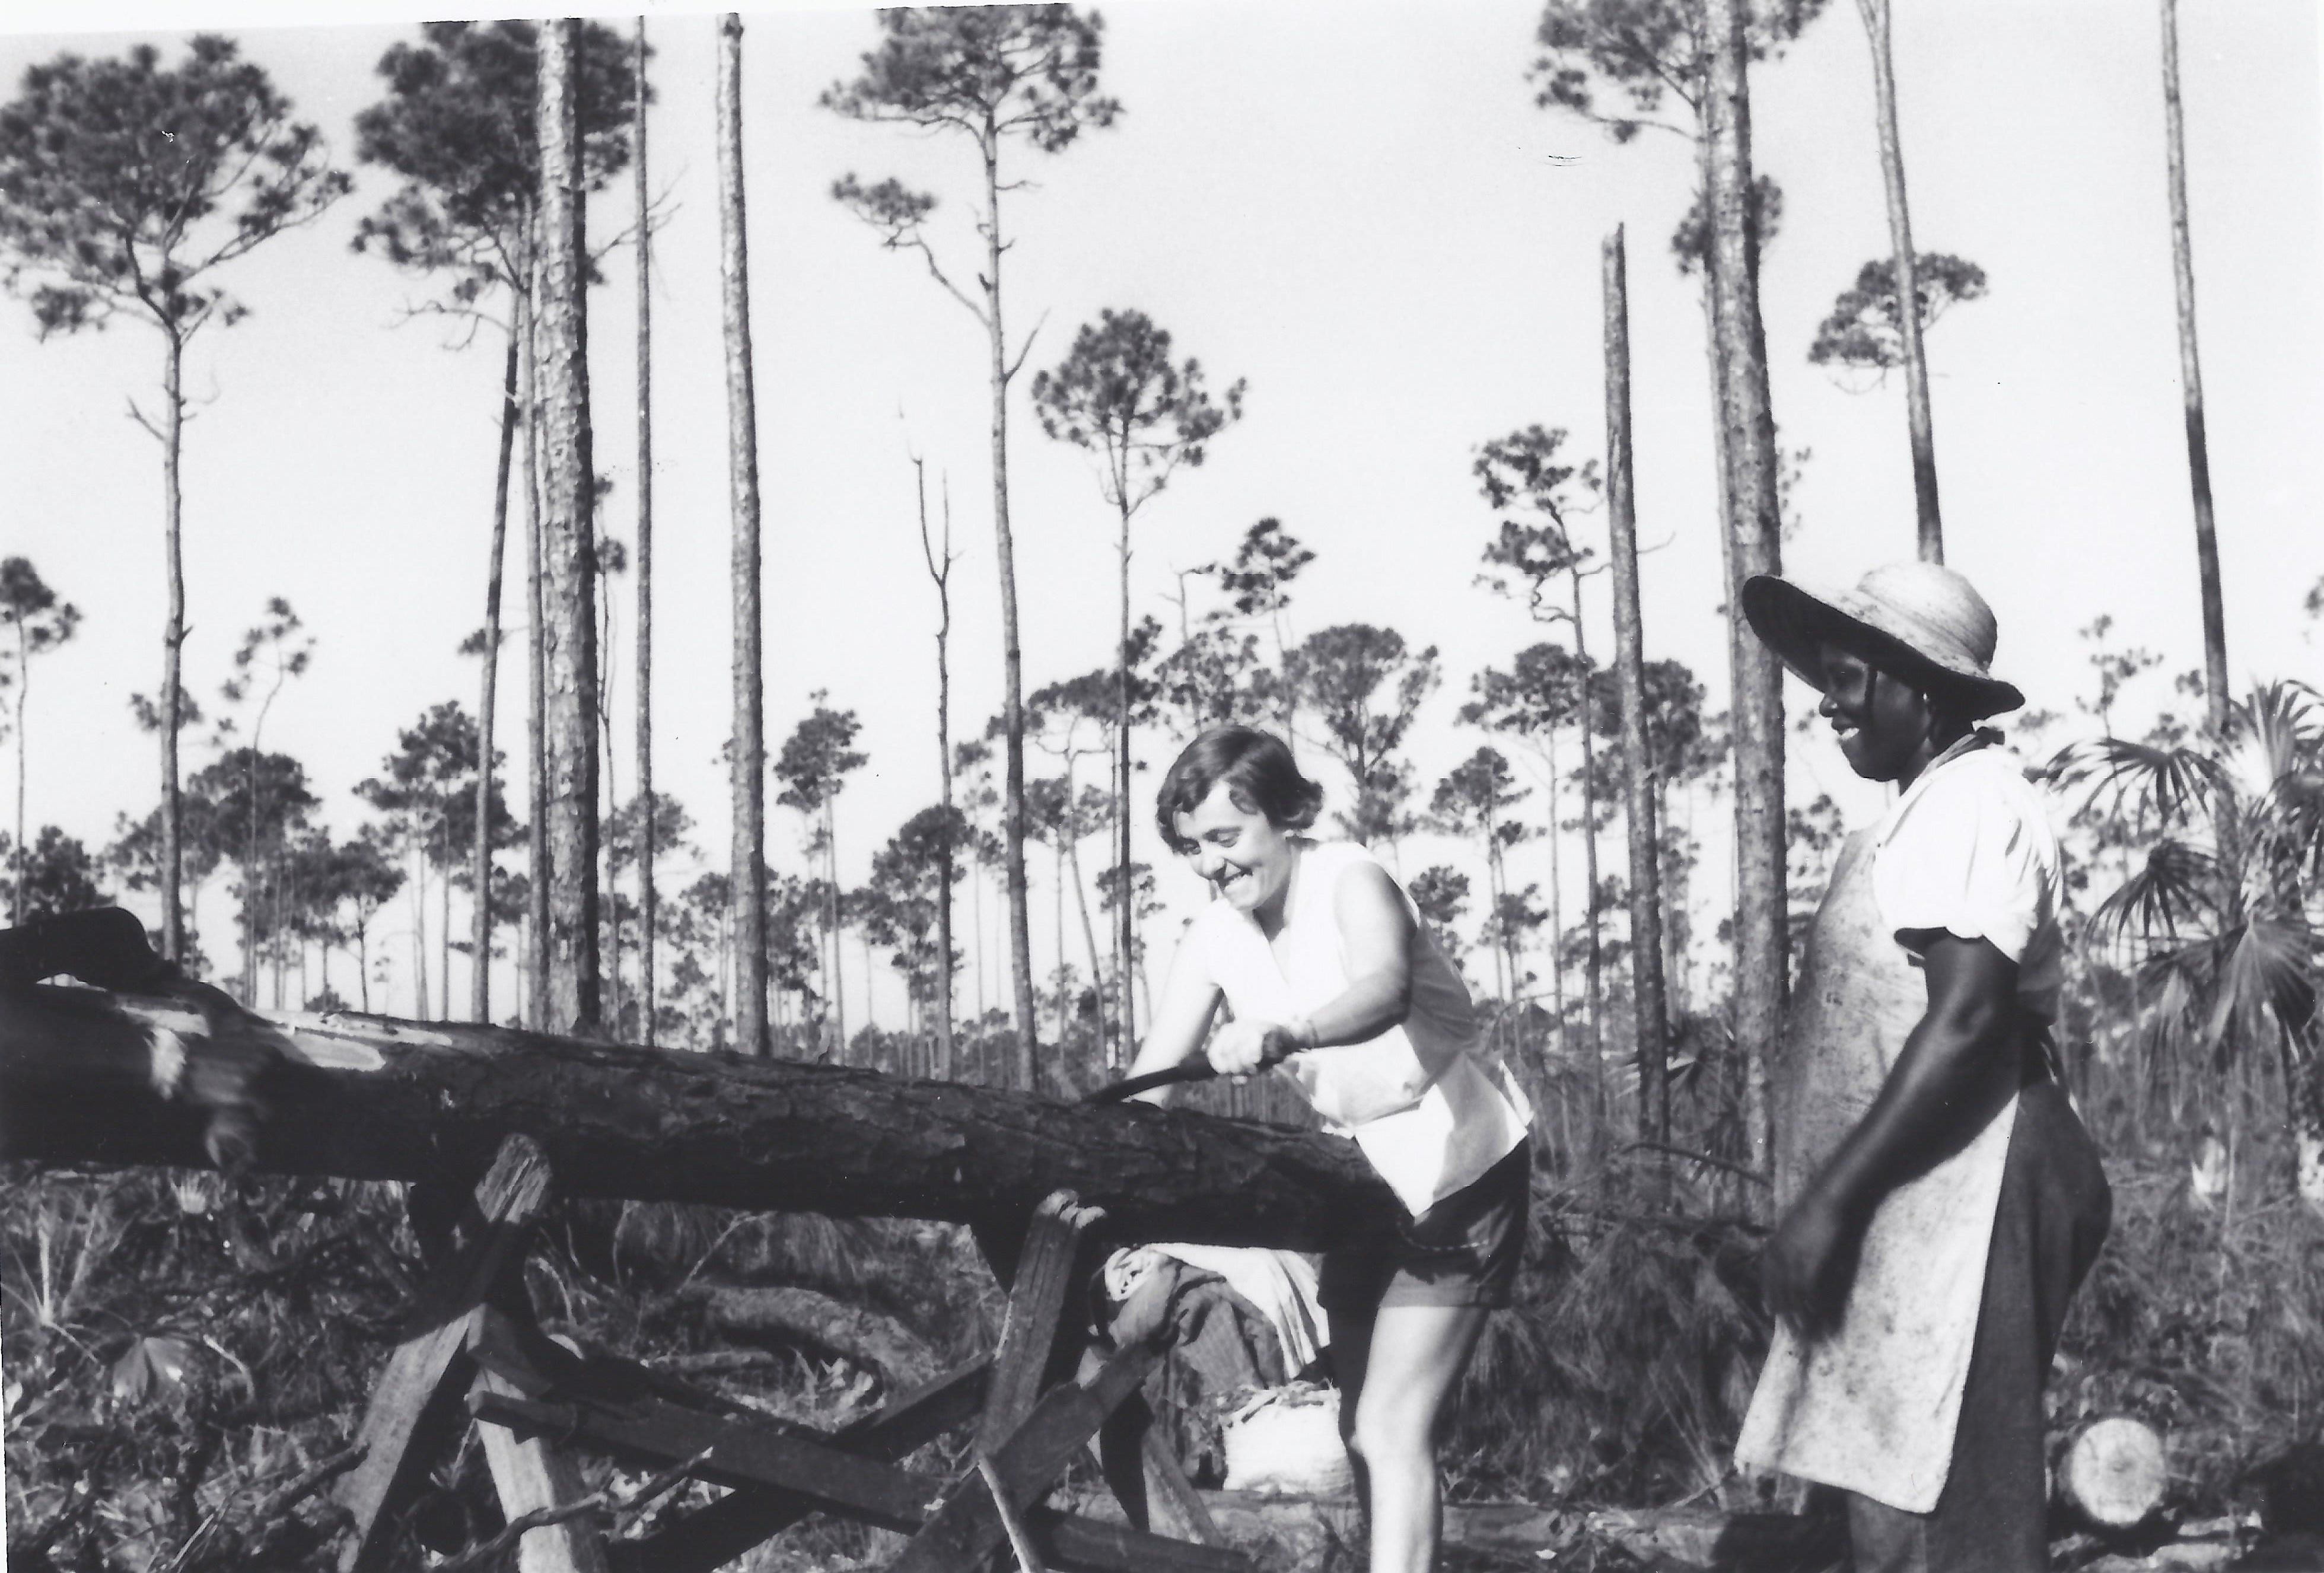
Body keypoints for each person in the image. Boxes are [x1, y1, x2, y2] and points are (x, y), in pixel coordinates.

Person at [1731, 562, 2112, 1573]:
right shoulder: (1909, 817)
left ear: (1924, 690)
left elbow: (1968, 1021)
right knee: (1890, 1496)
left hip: (1983, 1179)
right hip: (1921, 1187)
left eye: (1849, 679)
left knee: (1952, 1509)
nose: (1829, 703)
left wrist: (1827, 1206)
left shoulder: (1974, 805)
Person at [1123, 725, 1532, 1573]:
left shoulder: (1350, 878)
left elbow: (1384, 990)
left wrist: (1286, 1033)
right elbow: (1157, 1072)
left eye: (1226, 839)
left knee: (1390, 1426)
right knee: (1360, 1427)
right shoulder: (1213, 935)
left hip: (1459, 1168)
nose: (1211, 864)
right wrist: (1081, 1156)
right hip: (1362, 1178)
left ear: (1284, 817)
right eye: (1192, 847)